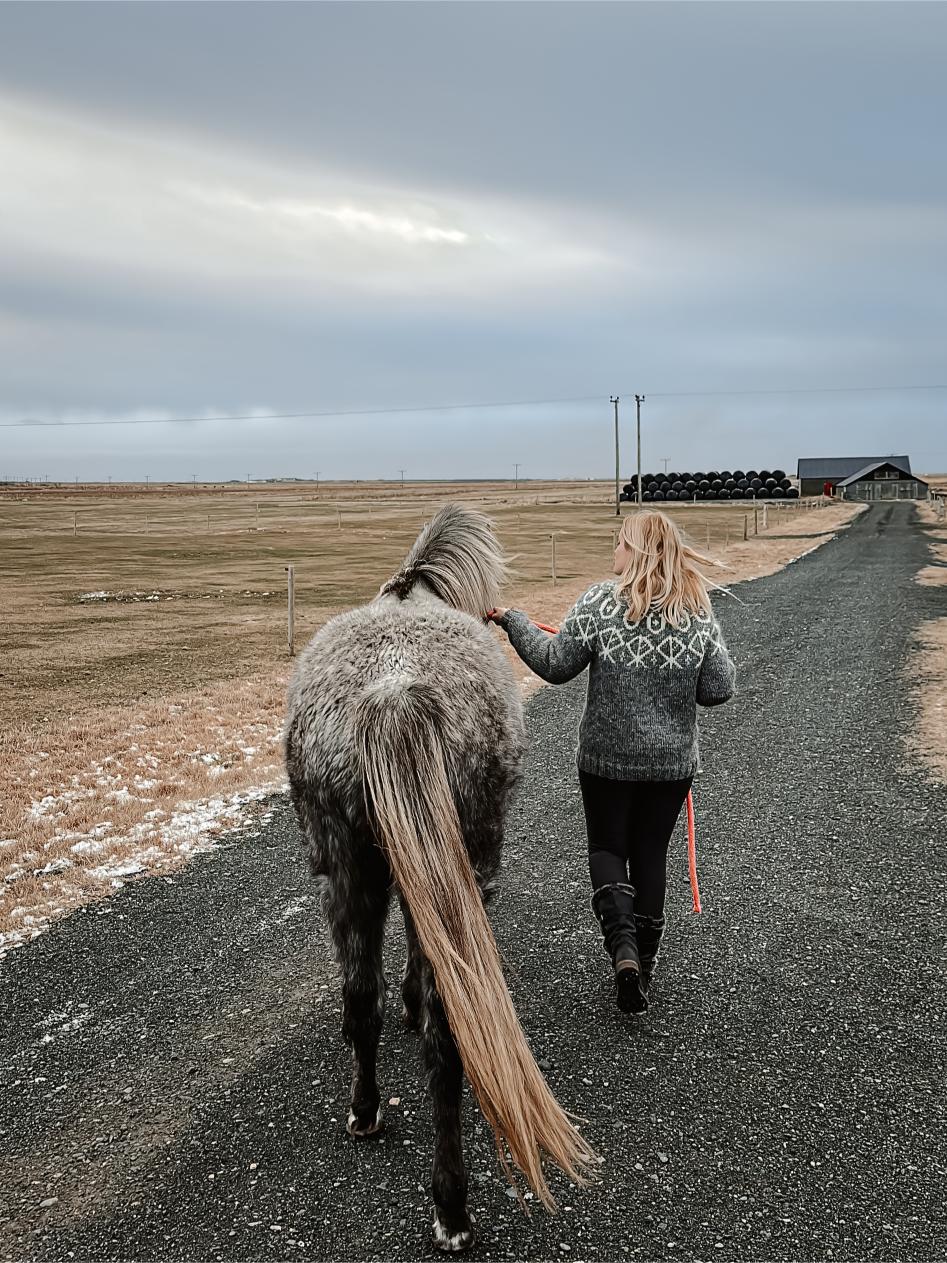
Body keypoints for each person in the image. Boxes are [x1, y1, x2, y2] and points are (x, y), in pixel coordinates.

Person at [490, 509, 736, 1014]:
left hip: (605, 758)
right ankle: (643, 962)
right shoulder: (694, 612)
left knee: (607, 847)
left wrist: (513, 621)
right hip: (670, 766)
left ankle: (621, 946)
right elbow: (719, 687)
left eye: (621, 544)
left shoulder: (600, 602)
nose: (614, 552)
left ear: (639, 552)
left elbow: (556, 665)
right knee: (650, 854)